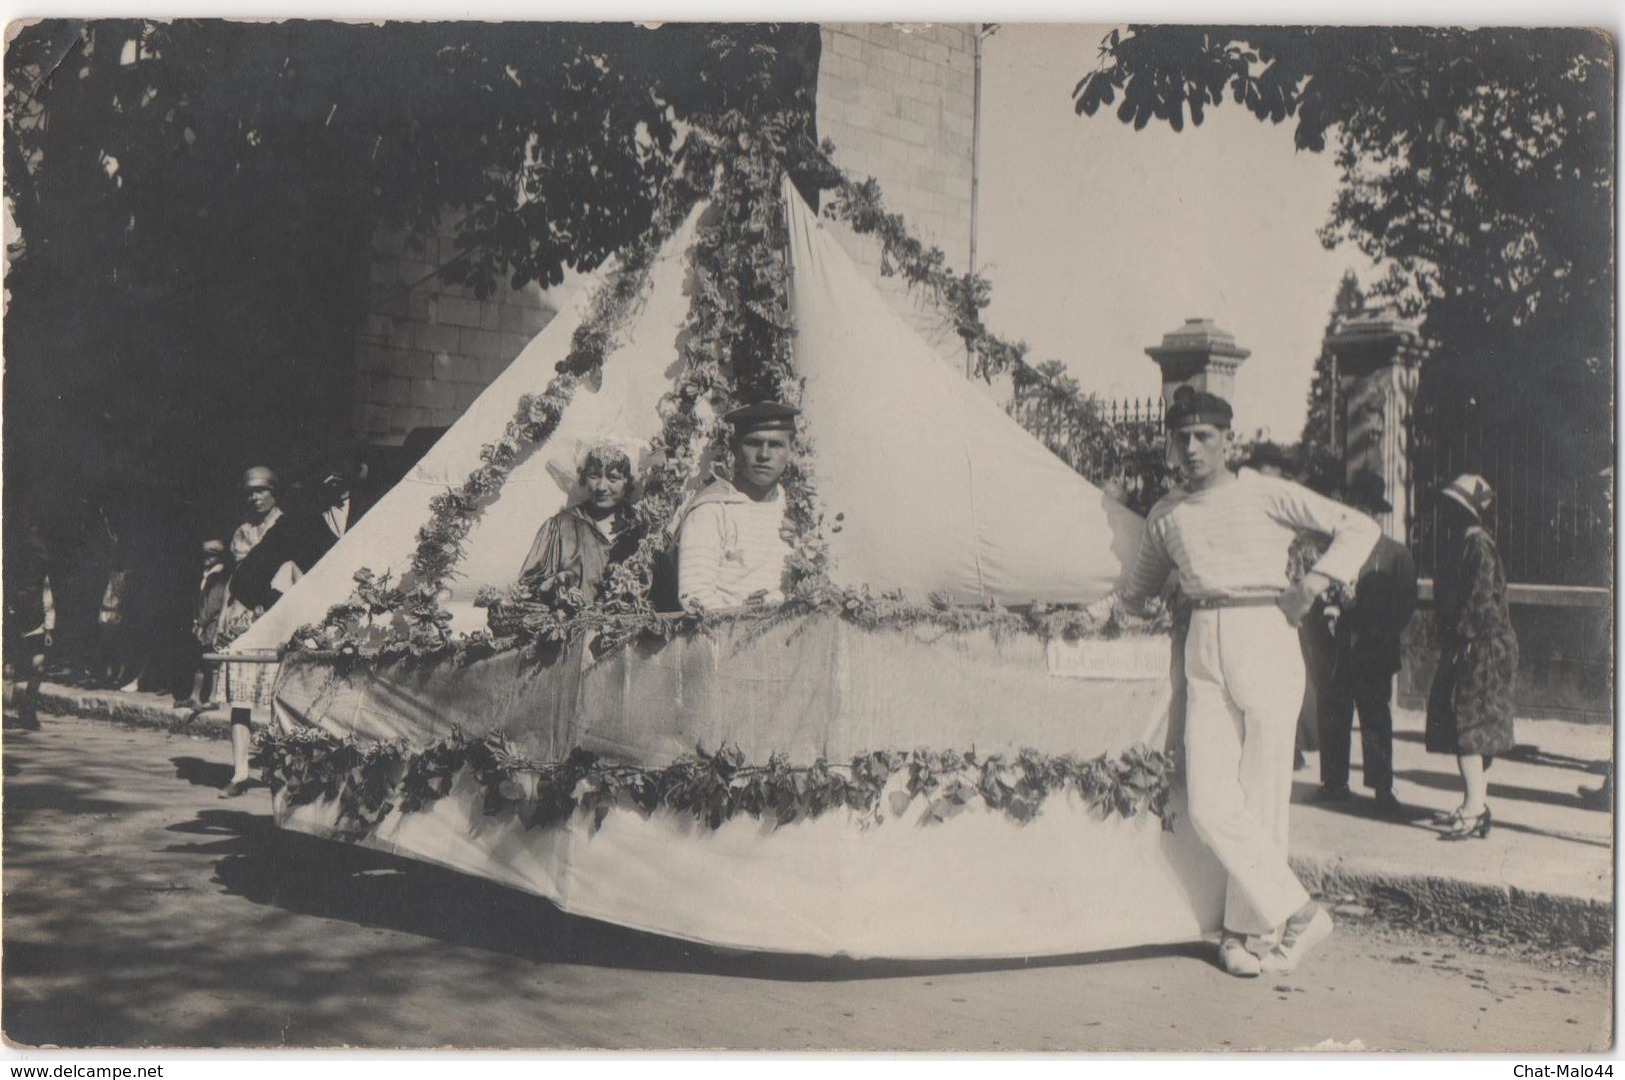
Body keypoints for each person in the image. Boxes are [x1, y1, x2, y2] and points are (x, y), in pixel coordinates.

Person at [1088, 387, 1380, 978]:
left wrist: (1314, 584)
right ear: (1169, 444)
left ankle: (1248, 936)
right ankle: (1298, 913)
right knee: (1212, 802)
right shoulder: (1166, 516)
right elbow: (1134, 594)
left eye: (1204, 437)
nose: (1192, 448)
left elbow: (1359, 528)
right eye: (1182, 438)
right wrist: (1078, 615)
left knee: (1263, 794)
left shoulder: (1264, 493)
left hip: (1265, 634)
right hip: (1203, 643)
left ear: (1228, 439)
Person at [1316, 471, 1419, 816]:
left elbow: (1404, 606)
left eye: (1366, 509)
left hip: (1374, 649)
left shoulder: (1395, 554)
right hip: (1338, 648)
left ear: (1376, 513)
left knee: (1375, 717)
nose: (1360, 514)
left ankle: (1381, 787)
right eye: (1355, 507)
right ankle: (1334, 783)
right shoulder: (1336, 548)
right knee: (1334, 712)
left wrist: (1367, 615)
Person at [1425, 474, 1518, 840]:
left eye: (1453, 508)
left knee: (1468, 725)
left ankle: (1475, 808)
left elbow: (1479, 598)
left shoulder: (1478, 546)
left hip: (1479, 649)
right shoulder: (1466, 544)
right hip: (1471, 645)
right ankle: (1474, 802)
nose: (1446, 514)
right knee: (1464, 723)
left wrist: (1462, 637)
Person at [675, 402, 799, 611]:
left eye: (776, 445)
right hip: (728, 635)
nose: (764, 455)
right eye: (753, 443)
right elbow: (693, 596)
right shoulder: (712, 509)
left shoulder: (792, 505)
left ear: (791, 450)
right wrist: (739, 612)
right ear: (734, 447)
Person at [216, 467, 290, 798]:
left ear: (274, 491)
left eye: (261, 490)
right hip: (244, 617)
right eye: (250, 491)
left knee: (282, 697)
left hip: (279, 614)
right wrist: (225, 618)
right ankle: (240, 772)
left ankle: (283, 769)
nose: (255, 497)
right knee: (241, 697)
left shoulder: (287, 527)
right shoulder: (243, 532)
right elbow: (237, 578)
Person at [520, 442, 643, 607]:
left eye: (613, 477)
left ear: (627, 482)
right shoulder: (560, 527)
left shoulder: (642, 530)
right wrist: (552, 586)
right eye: (594, 475)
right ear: (584, 477)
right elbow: (525, 589)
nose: (601, 487)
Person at [5, 519, 55, 730]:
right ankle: (8, 711)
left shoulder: (38, 574)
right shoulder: (10, 574)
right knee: (10, 668)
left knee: (37, 665)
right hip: (13, 618)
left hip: (34, 619)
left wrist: (49, 625)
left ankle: (27, 709)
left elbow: (46, 593)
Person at [174, 539, 230, 709]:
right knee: (199, 659)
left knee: (211, 660)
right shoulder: (208, 574)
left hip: (211, 624)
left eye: (211, 556)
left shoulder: (219, 576)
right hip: (203, 623)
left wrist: (201, 622)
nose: (207, 559)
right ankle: (195, 696)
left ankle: (212, 698)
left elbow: (213, 603)